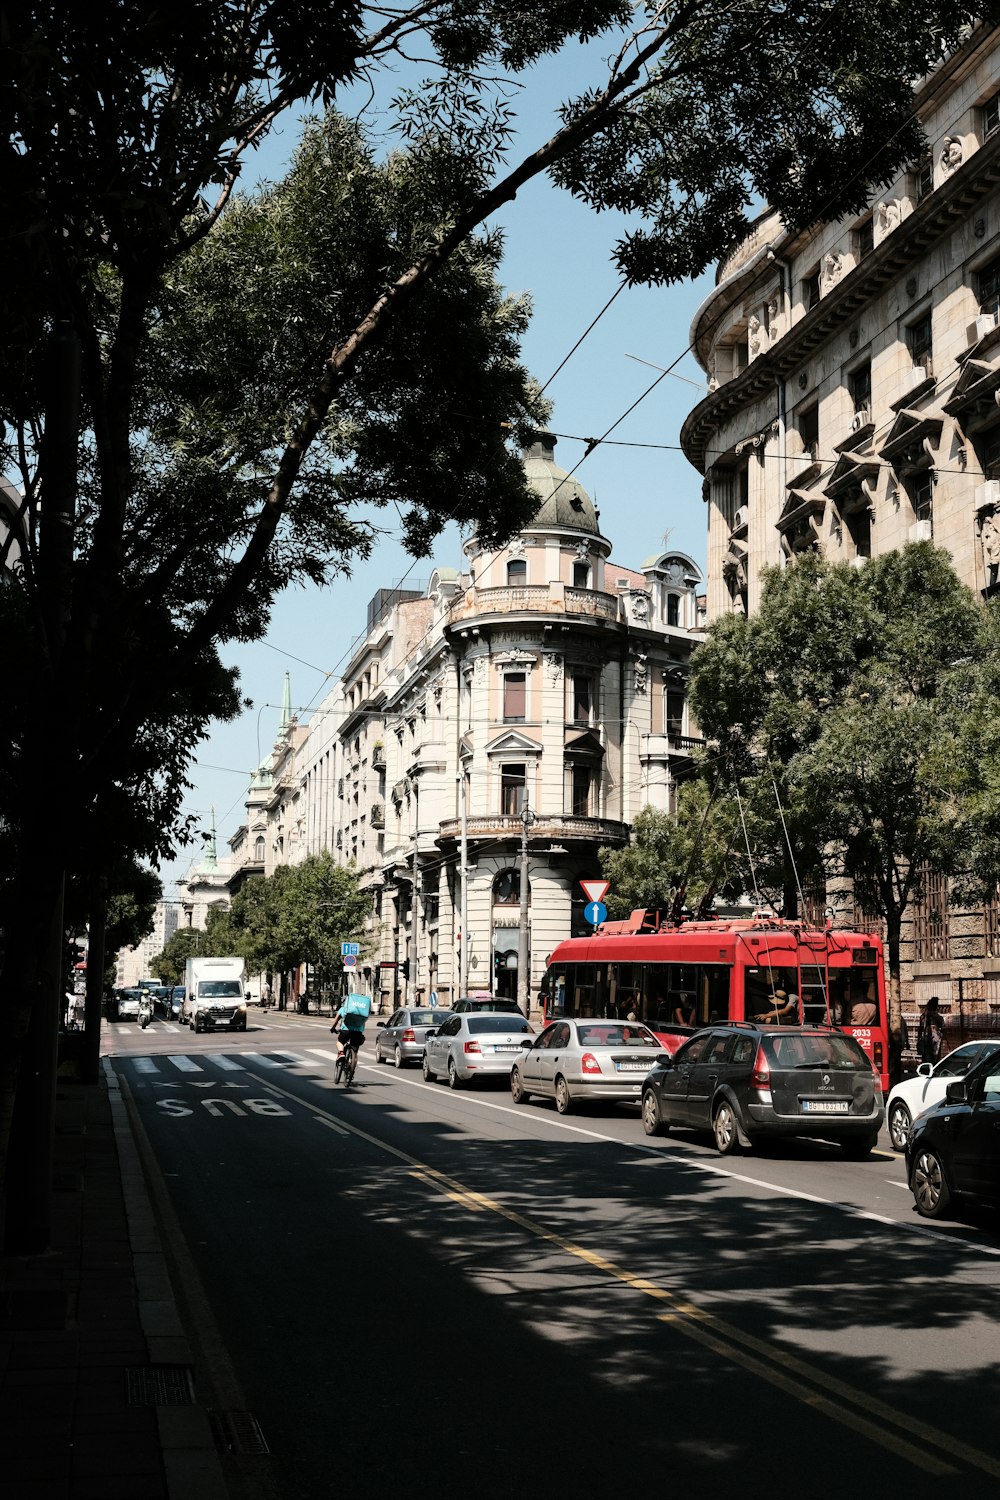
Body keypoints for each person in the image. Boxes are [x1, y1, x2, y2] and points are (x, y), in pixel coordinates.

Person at [331, 992, 372, 1074]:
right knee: (355, 1052)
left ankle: (341, 1053)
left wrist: (333, 1028)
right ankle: (352, 1069)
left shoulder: (344, 1009)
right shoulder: (363, 1011)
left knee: (340, 1042)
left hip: (346, 1030)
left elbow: (336, 1020)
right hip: (358, 1033)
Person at [917, 996, 944, 1064]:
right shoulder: (937, 1017)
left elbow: (920, 1029)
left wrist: (919, 1039)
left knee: (925, 1059)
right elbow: (941, 1026)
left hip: (925, 1040)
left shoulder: (923, 1016)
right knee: (934, 1059)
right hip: (934, 1041)